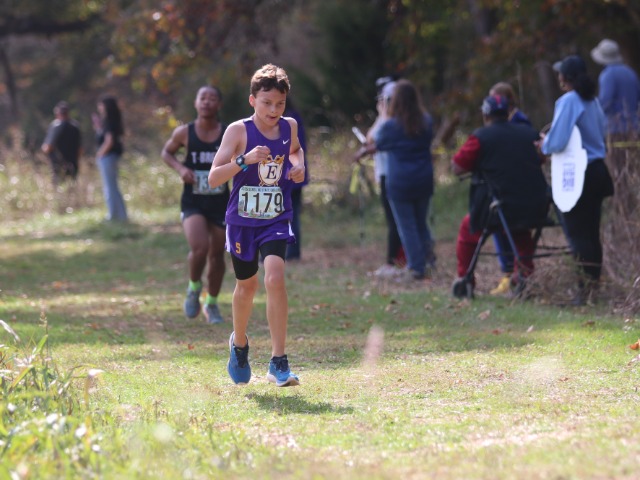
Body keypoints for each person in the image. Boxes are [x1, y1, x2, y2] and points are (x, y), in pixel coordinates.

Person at [208, 63, 305, 387]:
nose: (274, 110)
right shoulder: (238, 131)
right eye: (267, 103)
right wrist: (244, 160)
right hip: (242, 221)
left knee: (275, 277)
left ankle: (279, 361)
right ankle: (239, 345)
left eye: (280, 103)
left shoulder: (289, 127)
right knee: (247, 286)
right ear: (252, 100)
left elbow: (295, 151)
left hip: (276, 217)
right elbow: (213, 178)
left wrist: (299, 167)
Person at [452, 94, 549, 292]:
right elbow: (541, 157)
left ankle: (465, 278)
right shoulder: (529, 133)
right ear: (507, 113)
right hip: (536, 204)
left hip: (499, 207)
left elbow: (457, 167)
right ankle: (524, 276)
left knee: (468, 229)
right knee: (520, 232)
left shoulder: (480, 137)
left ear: (485, 115)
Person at [541, 55, 614, 305]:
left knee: (578, 234)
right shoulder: (593, 101)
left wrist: (544, 144)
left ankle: (584, 291)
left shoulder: (569, 100)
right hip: (598, 171)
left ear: (564, 77)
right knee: (591, 234)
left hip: (578, 175)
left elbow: (558, 140)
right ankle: (593, 288)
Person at [161, 86, 229, 324]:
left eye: (212, 98)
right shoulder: (185, 132)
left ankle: (212, 303)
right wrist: (181, 168)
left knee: (217, 255)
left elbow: (242, 158)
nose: (207, 102)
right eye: (203, 98)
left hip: (220, 201)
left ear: (219, 104)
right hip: (193, 201)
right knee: (200, 248)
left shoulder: (228, 133)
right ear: (196, 102)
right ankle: (194, 287)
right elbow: (166, 153)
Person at [372, 79, 436, 281]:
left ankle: (416, 267)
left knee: (406, 226)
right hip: (424, 178)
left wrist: (383, 115)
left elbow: (377, 141)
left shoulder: (392, 126)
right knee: (421, 223)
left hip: (400, 181)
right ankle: (429, 261)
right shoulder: (426, 122)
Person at [486, 82, 534, 295]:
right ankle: (508, 272)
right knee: (499, 228)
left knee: (515, 231)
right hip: (503, 185)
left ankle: (516, 273)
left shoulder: (520, 122)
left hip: (517, 187)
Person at [354, 78, 405, 277]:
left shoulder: (391, 122)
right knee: (395, 220)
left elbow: (373, 138)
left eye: (385, 100)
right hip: (386, 173)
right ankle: (400, 258)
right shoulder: (389, 120)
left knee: (395, 220)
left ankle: (394, 260)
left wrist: (382, 114)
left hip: (390, 174)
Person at [590, 39, 640, 135]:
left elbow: (605, 102)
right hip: (634, 127)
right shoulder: (630, 72)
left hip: (615, 128)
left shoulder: (607, 75)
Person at [92, 95, 128, 222]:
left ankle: (113, 215)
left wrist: (100, 154)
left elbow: (109, 141)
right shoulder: (113, 121)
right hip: (112, 156)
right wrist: (98, 128)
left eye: (101, 105)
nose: (99, 107)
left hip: (108, 157)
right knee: (113, 186)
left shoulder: (109, 121)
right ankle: (121, 215)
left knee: (110, 187)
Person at [283, 96, 308, 261]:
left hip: (290, 176)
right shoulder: (295, 118)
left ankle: (292, 252)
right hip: (294, 176)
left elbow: (297, 149)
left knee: (290, 215)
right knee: (292, 215)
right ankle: (292, 253)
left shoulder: (290, 122)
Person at [41, 101, 82, 186]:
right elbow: (80, 149)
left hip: (58, 164)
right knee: (72, 185)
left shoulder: (56, 126)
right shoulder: (75, 126)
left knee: (58, 186)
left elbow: (48, 147)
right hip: (73, 163)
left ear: (58, 114)